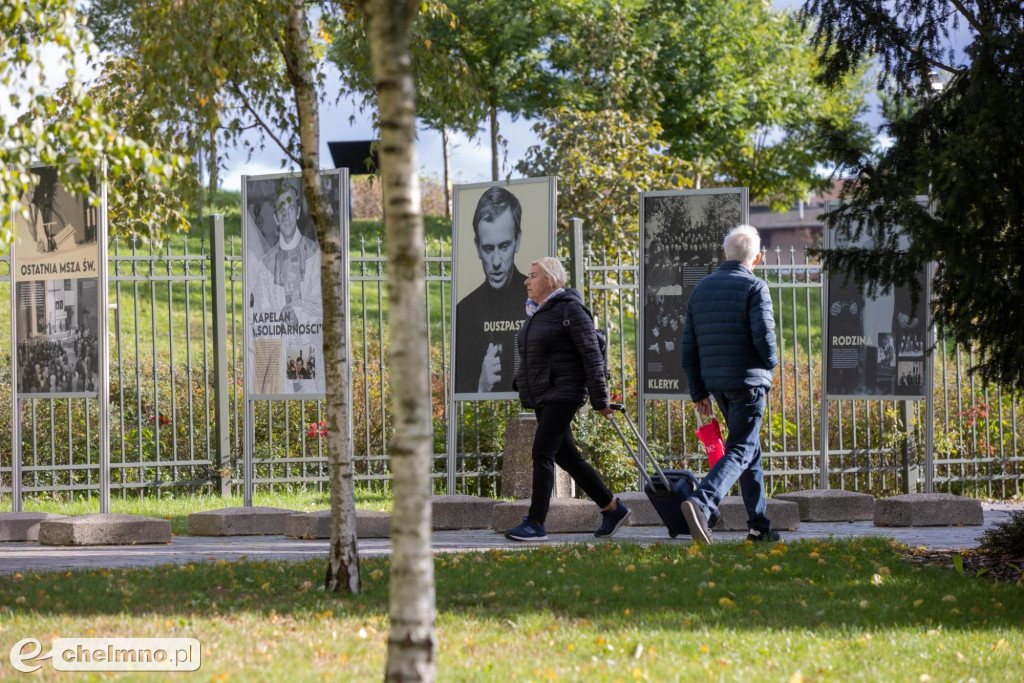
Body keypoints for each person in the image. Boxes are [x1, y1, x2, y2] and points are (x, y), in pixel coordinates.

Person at [503, 257, 631, 541]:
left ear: (550, 279)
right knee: (567, 457)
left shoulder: (570, 309)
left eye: (533, 275)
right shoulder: (538, 312)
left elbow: (591, 355)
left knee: (542, 452)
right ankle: (612, 507)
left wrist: (601, 400)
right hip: (544, 393)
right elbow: (536, 356)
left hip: (564, 392)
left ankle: (536, 522)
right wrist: (522, 382)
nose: (527, 280)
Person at [680, 225, 780, 544]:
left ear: (724, 254)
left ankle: (758, 525)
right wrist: (771, 365)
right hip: (748, 381)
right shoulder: (755, 287)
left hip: (718, 384)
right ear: (758, 258)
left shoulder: (701, 289)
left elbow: (689, 347)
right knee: (741, 448)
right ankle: (703, 502)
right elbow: (764, 338)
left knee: (749, 449)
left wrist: (699, 392)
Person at [455, 186, 529, 394]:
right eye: (488, 248)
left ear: (518, 241)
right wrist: (481, 385)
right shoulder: (464, 311)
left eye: (504, 246)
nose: (496, 262)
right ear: (478, 247)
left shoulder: (538, 302)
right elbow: (459, 386)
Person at [255, 182, 322, 328]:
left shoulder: (315, 254)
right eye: (281, 210)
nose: (286, 216)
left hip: (310, 343)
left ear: (298, 212)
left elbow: (322, 302)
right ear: (275, 217)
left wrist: (298, 312)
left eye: (290, 208)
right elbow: (261, 310)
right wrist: (281, 316)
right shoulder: (266, 263)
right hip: (279, 343)